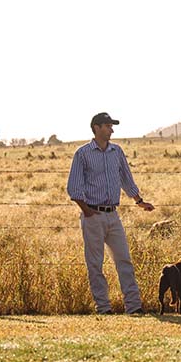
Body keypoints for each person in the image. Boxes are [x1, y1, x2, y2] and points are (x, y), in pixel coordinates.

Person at [67, 112, 154, 315]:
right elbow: (74, 187)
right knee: (95, 264)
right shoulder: (83, 154)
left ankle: (134, 306)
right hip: (93, 214)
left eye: (111, 126)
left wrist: (139, 201)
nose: (111, 130)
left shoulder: (117, 152)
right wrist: (87, 211)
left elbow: (126, 179)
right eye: (107, 126)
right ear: (96, 128)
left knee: (124, 260)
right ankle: (103, 308)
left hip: (113, 214)